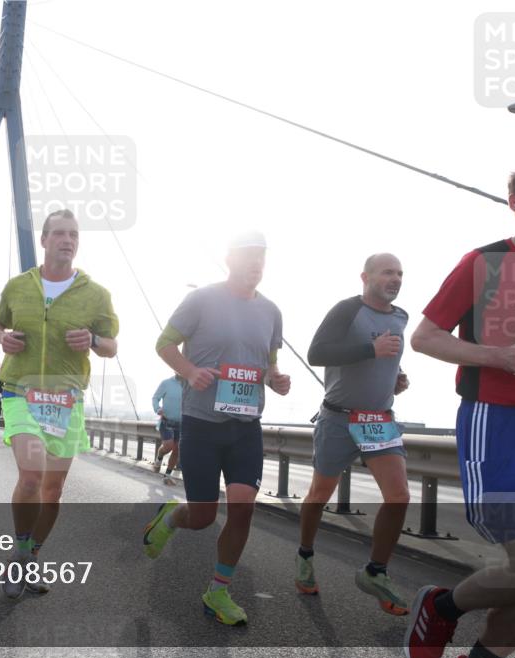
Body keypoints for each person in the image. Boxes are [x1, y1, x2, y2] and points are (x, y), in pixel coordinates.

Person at [404, 162, 515, 658]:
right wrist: (498, 356)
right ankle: (441, 606)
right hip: (499, 426)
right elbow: (424, 338)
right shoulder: (483, 263)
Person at [143, 230, 290, 626]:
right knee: (205, 516)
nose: (255, 263)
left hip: (246, 427)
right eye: (247, 255)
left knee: (243, 509)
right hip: (203, 424)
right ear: (229, 259)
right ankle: (173, 516)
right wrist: (189, 371)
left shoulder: (272, 311)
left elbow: (269, 361)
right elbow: (164, 343)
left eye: (261, 256)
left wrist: (276, 378)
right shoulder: (201, 299)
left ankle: (218, 591)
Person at [0, 209, 119, 599]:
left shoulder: (97, 295)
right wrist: (2, 337)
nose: (68, 240)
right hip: (20, 392)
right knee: (31, 477)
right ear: (44, 240)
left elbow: (112, 346)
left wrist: (94, 342)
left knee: (53, 489)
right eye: (60, 233)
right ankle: (22, 551)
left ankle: (29, 557)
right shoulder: (18, 286)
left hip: (66, 399)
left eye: (74, 235)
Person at [295, 253, 411, 615]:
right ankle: (305, 555)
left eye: (400, 273)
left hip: (379, 419)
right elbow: (318, 353)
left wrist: (396, 376)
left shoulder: (401, 316)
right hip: (339, 419)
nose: (395, 279)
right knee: (319, 494)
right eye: (387, 272)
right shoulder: (346, 309)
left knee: (399, 497)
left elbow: (387, 355)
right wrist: (370, 351)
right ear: (366, 276)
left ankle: (376, 572)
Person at [151, 374, 184, 485]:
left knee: (177, 450)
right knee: (168, 446)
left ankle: (167, 475)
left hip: (182, 423)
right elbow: (155, 398)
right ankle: (159, 458)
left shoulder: (189, 384)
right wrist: (158, 408)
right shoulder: (166, 383)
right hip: (166, 421)